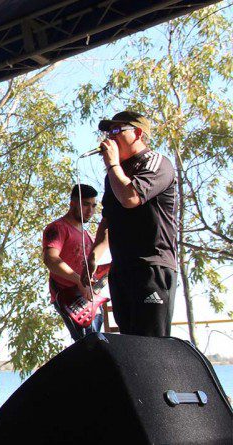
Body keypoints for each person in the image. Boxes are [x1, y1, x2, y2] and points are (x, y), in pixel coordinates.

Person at [83, 111, 177, 337]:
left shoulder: (156, 162)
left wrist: (112, 164)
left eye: (117, 130)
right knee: (130, 341)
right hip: (122, 270)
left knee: (150, 344)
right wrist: (93, 256)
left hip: (151, 267)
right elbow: (108, 218)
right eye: (108, 132)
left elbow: (130, 197)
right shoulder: (114, 175)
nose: (110, 137)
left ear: (138, 133)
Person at [43, 184, 104, 341]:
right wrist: (79, 280)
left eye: (94, 206)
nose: (90, 210)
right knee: (89, 345)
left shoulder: (88, 235)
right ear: (72, 203)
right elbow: (51, 259)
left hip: (90, 300)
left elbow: (91, 269)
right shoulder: (58, 227)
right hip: (69, 297)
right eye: (85, 204)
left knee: (97, 343)